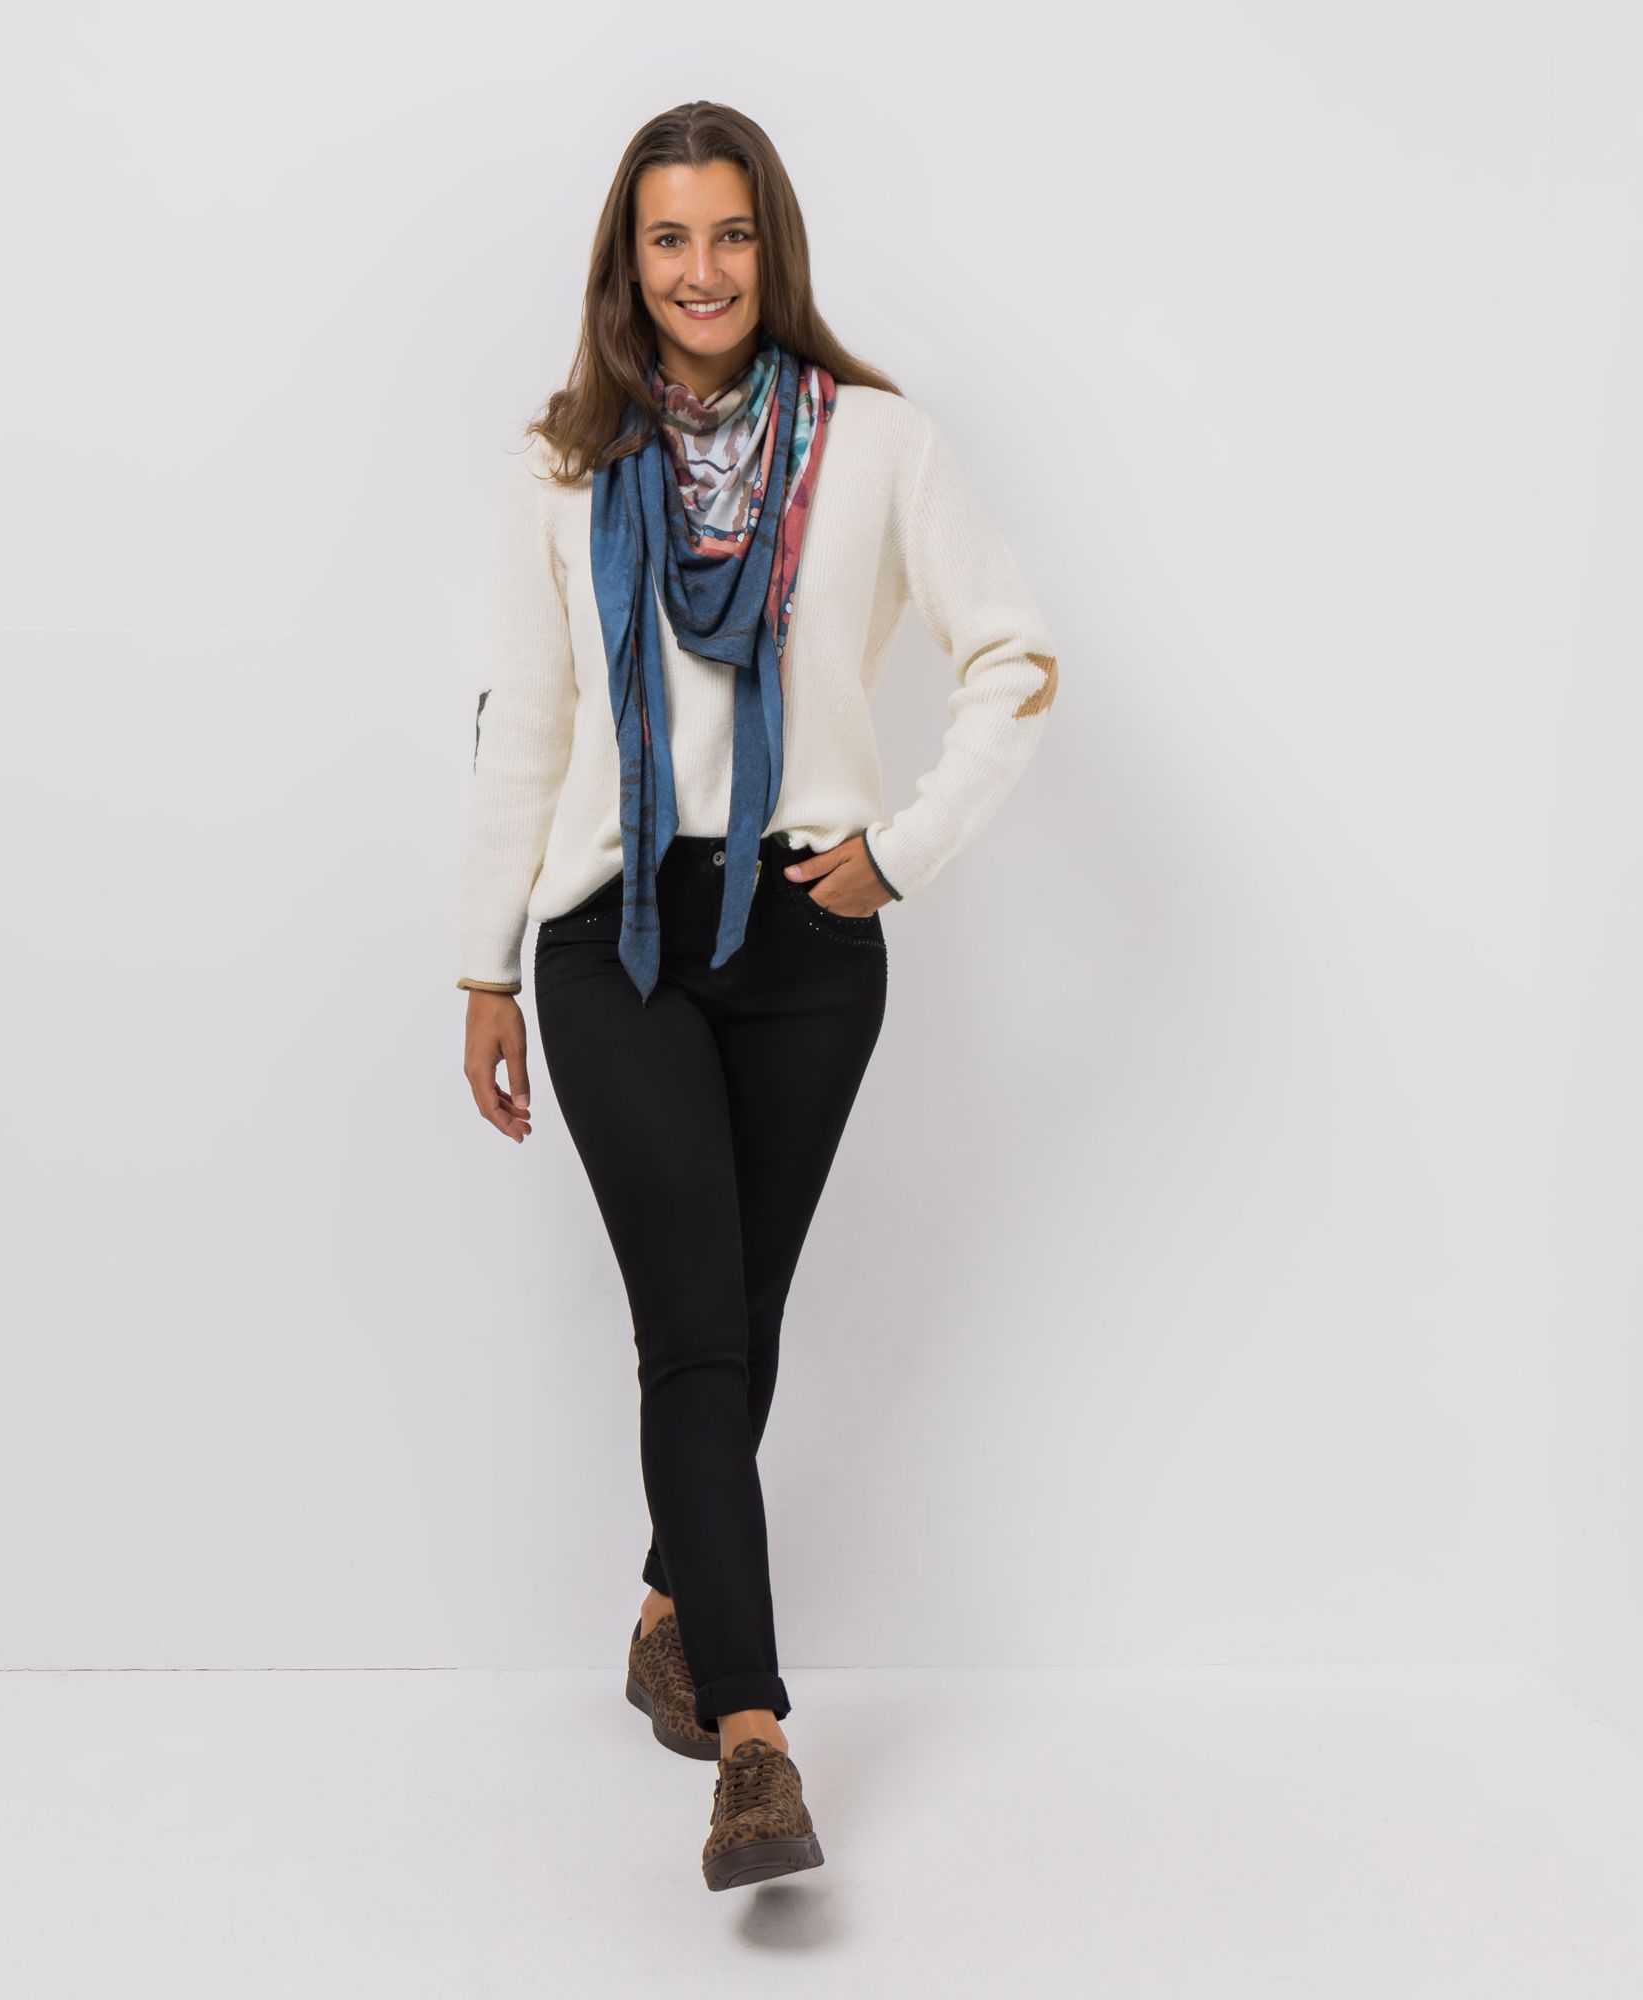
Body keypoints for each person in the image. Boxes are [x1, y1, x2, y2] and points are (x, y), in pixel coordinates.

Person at [454, 100, 1058, 1892]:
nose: (701, 270)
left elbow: (1015, 656)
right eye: (669, 238)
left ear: (768, 247)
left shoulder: (876, 443)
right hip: (612, 934)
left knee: (746, 1308)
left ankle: (670, 1612)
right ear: (625, 259)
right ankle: (754, 1738)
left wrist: (904, 848)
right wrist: (483, 961)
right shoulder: (563, 465)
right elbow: (528, 723)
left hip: (803, 934)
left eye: (729, 234)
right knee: (695, 1332)